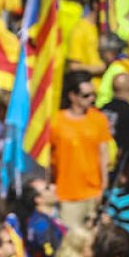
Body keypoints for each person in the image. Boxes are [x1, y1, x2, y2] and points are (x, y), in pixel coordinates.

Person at [51, 77, 112, 231]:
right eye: (86, 95)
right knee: (70, 241)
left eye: (93, 95)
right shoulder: (56, 120)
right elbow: (47, 156)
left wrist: (104, 186)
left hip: (93, 192)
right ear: (72, 96)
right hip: (66, 194)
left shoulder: (98, 118)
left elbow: (104, 153)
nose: (91, 99)